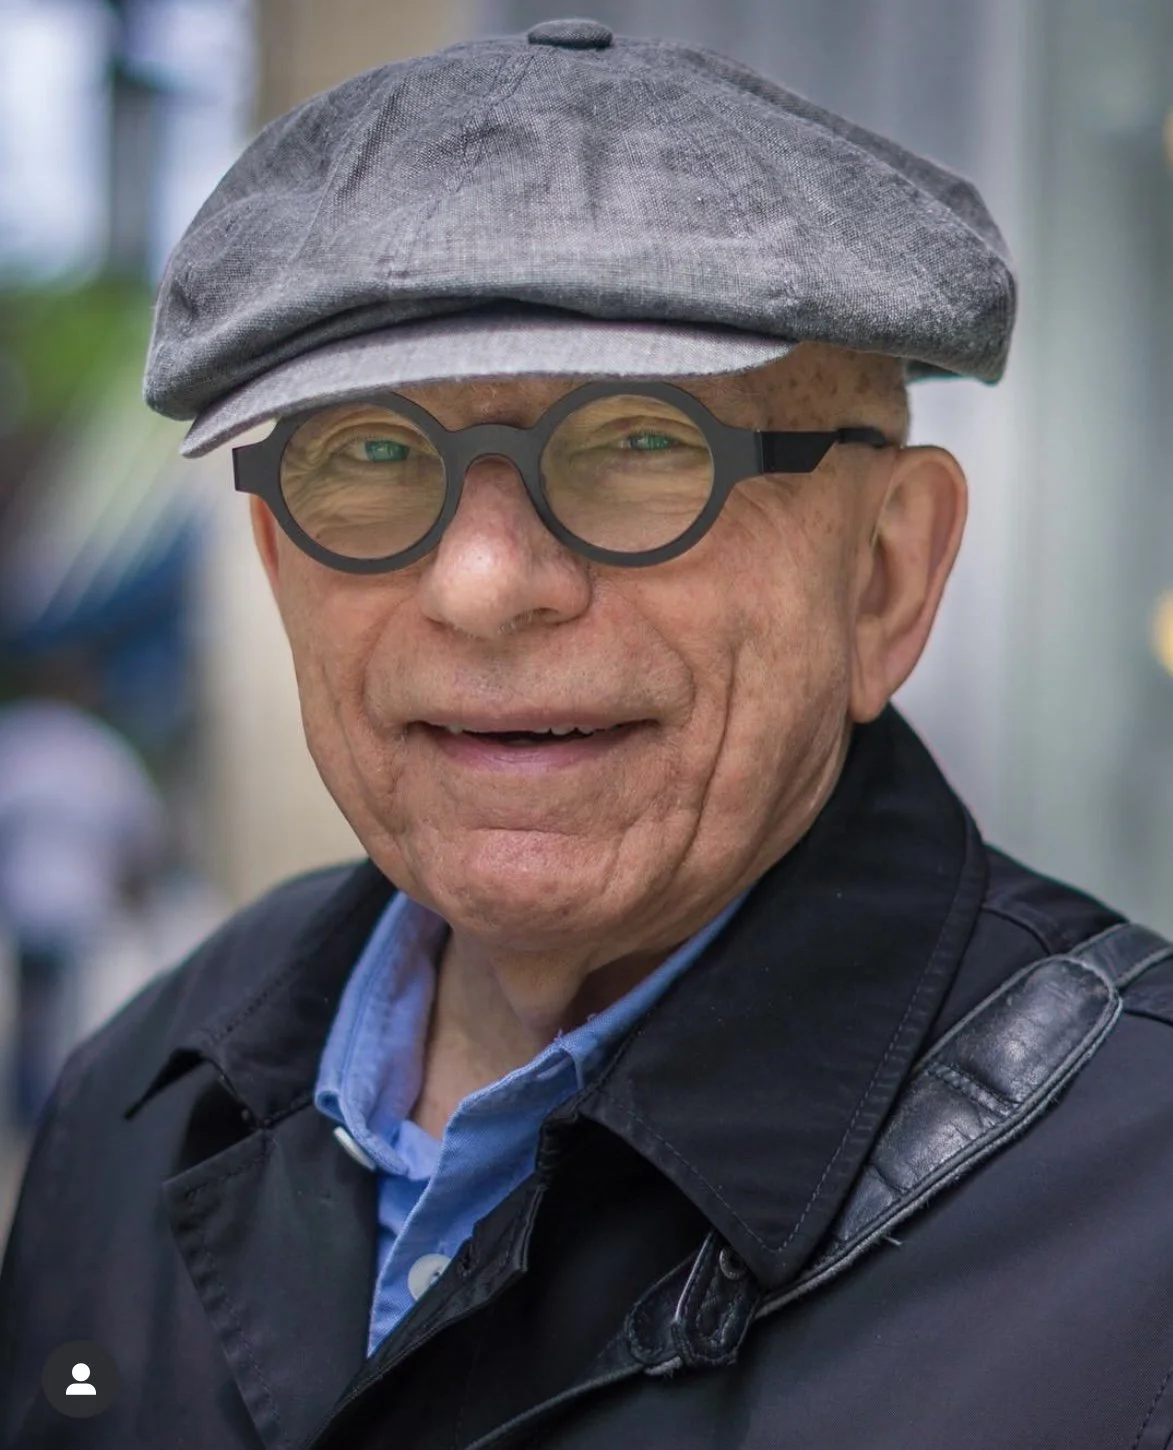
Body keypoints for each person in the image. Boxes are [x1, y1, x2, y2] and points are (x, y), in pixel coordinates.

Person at [2, 18, 1172, 1450]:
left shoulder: (1140, 1227)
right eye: (370, 455)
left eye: (640, 443)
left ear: (885, 578)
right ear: (273, 561)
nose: (484, 584)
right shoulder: (134, 1096)